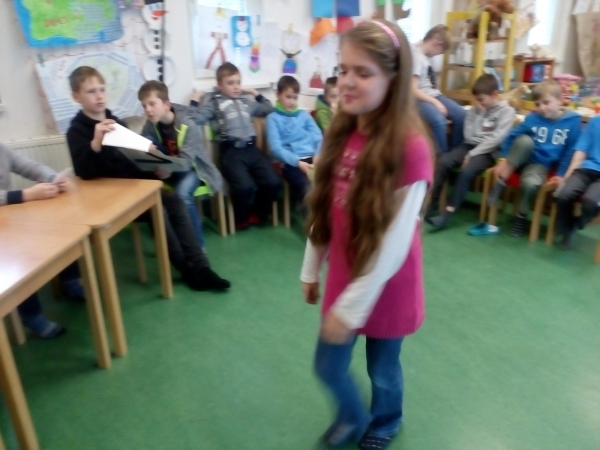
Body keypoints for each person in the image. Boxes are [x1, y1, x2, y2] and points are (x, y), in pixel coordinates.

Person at [300, 20, 433, 450]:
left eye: (363, 72)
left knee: (383, 369)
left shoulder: (410, 148)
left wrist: (351, 308)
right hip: (347, 271)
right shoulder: (340, 132)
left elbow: (393, 246)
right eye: (343, 69)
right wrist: (311, 269)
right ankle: (354, 415)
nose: (347, 81)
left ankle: (385, 420)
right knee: (327, 364)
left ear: (393, 79)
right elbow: (323, 207)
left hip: (388, 284)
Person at [66, 66, 230, 292]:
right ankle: (187, 270)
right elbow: (84, 172)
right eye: (91, 91)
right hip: (107, 198)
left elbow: (132, 163)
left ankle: (201, 267)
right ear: (76, 96)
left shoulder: (117, 124)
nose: (99, 96)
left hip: (133, 189)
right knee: (158, 210)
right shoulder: (75, 131)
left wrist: (152, 162)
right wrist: (95, 143)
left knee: (176, 203)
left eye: (102, 89)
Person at [0, 141, 80, 338]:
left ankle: (70, 283)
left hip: (5, 219)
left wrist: (53, 178)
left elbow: (30, 166)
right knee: (16, 255)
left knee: (59, 226)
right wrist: (25, 194)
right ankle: (31, 315)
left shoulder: (2, 150)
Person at [188, 62, 281, 230]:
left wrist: (255, 94)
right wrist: (194, 101)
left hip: (252, 149)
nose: (236, 87)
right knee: (245, 186)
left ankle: (258, 214)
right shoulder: (214, 104)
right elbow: (194, 120)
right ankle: (241, 218)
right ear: (220, 85)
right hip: (231, 152)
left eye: (238, 82)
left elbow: (269, 108)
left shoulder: (247, 102)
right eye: (230, 83)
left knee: (273, 182)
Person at [486, 80, 581, 236]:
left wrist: (561, 174)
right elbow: (511, 136)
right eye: (537, 104)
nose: (541, 108)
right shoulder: (533, 118)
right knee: (524, 141)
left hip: (538, 165)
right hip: (519, 156)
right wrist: (503, 158)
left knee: (531, 184)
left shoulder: (572, 121)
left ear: (560, 100)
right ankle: (500, 183)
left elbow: (570, 151)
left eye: (546, 102)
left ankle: (521, 216)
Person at [138, 80, 224, 248]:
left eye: (152, 104)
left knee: (182, 195)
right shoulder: (151, 123)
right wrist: (151, 156)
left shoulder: (187, 124)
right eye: (144, 105)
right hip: (168, 166)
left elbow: (186, 162)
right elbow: (142, 143)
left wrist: (168, 170)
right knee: (146, 141)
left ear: (166, 105)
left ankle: (197, 247)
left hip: (192, 169)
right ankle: (169, 243)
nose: (147, 110)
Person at [426, 74, 515, 229]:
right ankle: (432, 202)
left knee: (466, 171)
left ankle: (447, 213)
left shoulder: (507, 112)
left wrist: (472, 154)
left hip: (488, 151)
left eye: (481, 100)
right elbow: (468, 135)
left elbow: (496, 139)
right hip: (469, 145)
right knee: (444, 161)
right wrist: (480, 113)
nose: (477, 103)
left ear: (495, 94)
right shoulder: (475, 110)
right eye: (476, 100)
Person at [266, 75, 322, 211]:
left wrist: (318, 154)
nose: (292, 102)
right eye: (288, 97)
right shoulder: (273, 118)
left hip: (313, 159)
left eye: (295, 97)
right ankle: (309, 220)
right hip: (292, 163)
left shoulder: (304, 115)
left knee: (331, 183)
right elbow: (276, 148)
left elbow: (319, 137)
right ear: (278, 95)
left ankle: (328, 218)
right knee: (307, 188)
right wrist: (298, 162)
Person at [412, 25, 466, 154]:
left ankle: (454, 155)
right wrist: (436, 103)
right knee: (439, 122)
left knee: (462, 115)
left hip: (433, 94)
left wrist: (437, 100)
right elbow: (412, 90)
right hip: (420, 99)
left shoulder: (425, 55)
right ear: (437, 42)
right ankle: (442, 159)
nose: (438, 55)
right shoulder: (415, 57)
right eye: (441, 51)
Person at [554, 115, 600, 249]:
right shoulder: (595, 121)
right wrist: (567, 176)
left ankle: (576, 224)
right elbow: (581, 151)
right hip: (587, 168)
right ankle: (568, 227)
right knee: (563, 194)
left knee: (590, 201)